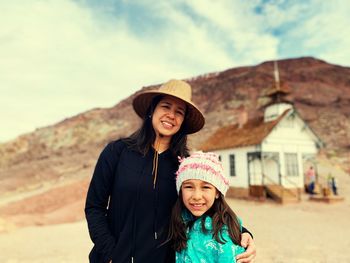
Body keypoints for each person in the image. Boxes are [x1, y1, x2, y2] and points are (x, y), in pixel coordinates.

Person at [85, 79, 256, 263]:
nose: (171, 115)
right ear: (152, 110)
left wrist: (244, 234)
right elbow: (95, 207)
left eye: (179, 112)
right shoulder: (117, 152)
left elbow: (207, 207)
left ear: (183, 121)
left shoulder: (185, 166)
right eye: (166, 106)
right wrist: (111, 253)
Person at [168, 151, 246, 262]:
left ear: (217, 192)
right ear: (180, 191)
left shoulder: (224, 235)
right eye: (189, 187)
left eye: (205, 187)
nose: (196, 196)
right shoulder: (180, 221)